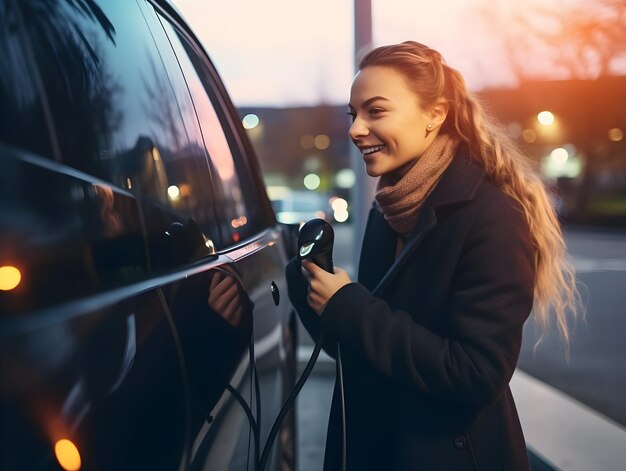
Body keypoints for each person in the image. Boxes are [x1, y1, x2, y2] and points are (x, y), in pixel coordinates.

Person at [287, 41, 581, 471]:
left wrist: (349, 304)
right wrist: (309, 288)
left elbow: (477, 373)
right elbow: (364, 348)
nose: (355, 129)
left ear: (435, 115)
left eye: (376, 111)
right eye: (353, 114)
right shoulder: (389, 208)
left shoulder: (493, 215)